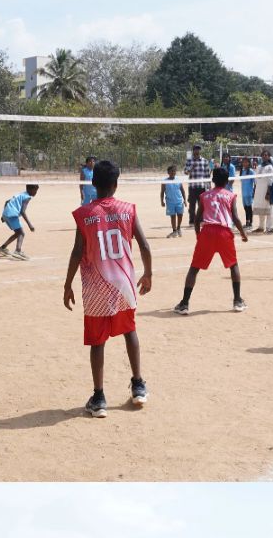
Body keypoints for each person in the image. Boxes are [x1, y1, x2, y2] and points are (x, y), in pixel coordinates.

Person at [63, 159, 153, 419]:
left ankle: (99, 397)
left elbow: (77, 251)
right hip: (124, 284)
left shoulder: (85, 214)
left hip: (96, 288)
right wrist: (148, 274)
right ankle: (138, 384)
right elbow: (145, 246)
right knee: (130, 331)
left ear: (93, 183)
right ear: (116, 184)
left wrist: (67, 283)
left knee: (97, 341)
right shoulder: (128, 209)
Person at [173, 165, 249, 316]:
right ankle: (237, 301)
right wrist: (243, 233)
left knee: (194, 268)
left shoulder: (204, 195)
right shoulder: (230, 195)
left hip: (207, 232)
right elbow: (235, 217)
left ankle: (184, 304)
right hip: (224, 233)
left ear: (212, 179)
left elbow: (197, 219)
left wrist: (198, 235)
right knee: (233, 265)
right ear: (227, 181)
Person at [0, 184, 39, 261]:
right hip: (12, 214)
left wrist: (4, 215)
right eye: (35, 190)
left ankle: (2, 248)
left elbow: (7, 202)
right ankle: (18, 251)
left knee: (17, 233)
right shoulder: (27, 197)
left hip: (6, 214)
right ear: (30, 190)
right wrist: (30, 225)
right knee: (21, 233)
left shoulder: (21, 194)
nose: (36, 192)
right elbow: (22, 211)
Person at [185, 144, 209, 225]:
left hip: (202, 186)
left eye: (198, 149)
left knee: (201, 204)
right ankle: (192, 220)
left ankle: (201, 220)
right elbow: (185, 172)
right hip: (192, 186)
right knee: (192, 205)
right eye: (195, 149)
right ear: (193, 150)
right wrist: (191, 168)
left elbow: (207, 174)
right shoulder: (189, 160)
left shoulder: (204, 161)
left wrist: (208, 186)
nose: (197, 151)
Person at [251, 149, 273, 233]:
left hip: (266, 190)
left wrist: (268, 192)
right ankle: (261, 227)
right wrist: (254, 190)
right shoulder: (259, 166)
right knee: (260, 207)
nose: (264, 156)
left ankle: (269, 227)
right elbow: (256, 179)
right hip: (259, 190)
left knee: (268, 208)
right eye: (263, 155)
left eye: (266, 155)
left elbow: (270, 180)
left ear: (269, 157)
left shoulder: (270, 167)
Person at [161, 165, 186, 237]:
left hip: (179, 201)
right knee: (173, 216)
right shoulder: (164, 181)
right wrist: (162, 201)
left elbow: (182, 190)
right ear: (168, 172)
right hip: (170, 202)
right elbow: (162, 192)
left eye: (174, 171)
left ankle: (178, 228)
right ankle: (174, 231)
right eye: (171, 171)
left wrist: (185, 200)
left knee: (180, 215)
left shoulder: (178, 180)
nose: (173, 172)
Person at [239, 158, 256, 229]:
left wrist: (254, 192)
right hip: (243, 193)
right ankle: (247, 222)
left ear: (249, 163)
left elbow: (255, 182)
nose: (245, 164)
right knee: (245, 208)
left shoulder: (251, 171)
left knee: (249, 208)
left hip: (249, 193)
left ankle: (250, 223)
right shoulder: (242, 171)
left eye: (246, 162)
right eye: (243, 162)